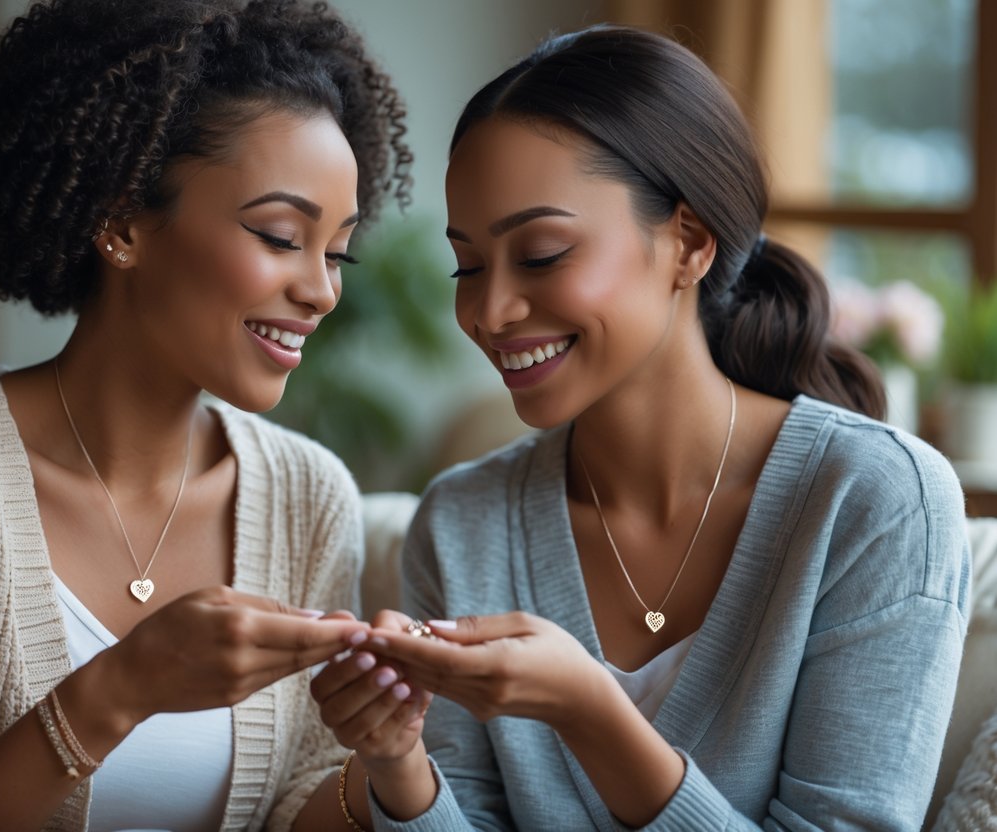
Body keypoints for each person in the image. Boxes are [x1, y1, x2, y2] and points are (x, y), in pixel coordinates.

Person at [309, 24, 971, 831]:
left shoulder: (876, 501)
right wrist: (396, 765)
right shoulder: (462, 522)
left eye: (543, 252)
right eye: (469, 265)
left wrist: (590, 712)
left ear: (688, 243)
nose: (487, 311)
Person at [0, 0, 414, 829]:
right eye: (278, 235)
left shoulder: (308, 493)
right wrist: (118, 690)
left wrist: (389, 764)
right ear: (120, 222)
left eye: (337, 252)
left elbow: (295, 801)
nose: (321, 290)